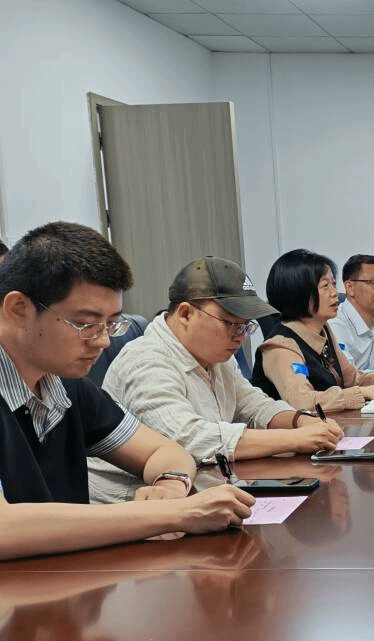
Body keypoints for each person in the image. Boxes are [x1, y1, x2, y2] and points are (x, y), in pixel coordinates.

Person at [0, 222, 254, 560]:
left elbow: (165, 452)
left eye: (111, 324)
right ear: (18, 309)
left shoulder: (66, 385)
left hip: (66, 579)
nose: (104, 341)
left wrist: (169, 485)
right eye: (86, 324)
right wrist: (174, 513)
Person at [88, 256, 344, 504]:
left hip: (202, 488)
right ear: (186, 314)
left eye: (246, 326)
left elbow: (255, 406)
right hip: (132, 506)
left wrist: (302, 421)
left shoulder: (217, 355)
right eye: (231, 324)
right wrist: (297, 439)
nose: (240, 336)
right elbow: (192, 439)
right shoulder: (146, 361)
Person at [252, 249, 374, 411]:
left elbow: (353, 378)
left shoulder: (323, 331)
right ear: (298, 293)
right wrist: (362, 394)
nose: (335, 292)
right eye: (325, 286)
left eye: (333, 284)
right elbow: (302, 402)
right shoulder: (281, 345)